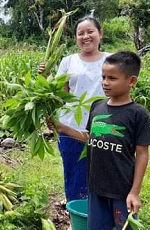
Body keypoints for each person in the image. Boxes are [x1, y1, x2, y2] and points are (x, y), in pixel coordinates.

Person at [47, 51, 150, 229]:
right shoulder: (97, 107)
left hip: (121, 190)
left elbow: (142, 153)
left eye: (112, 78)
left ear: (131, 81)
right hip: (96, 187)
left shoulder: (137, 114)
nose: (105, 82)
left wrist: (134, 192)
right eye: (103, 77)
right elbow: (90, 138)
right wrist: (62, 127)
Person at [38, 16, 110, 202]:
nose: (85, 36)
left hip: (104, 127)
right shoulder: (68, 61)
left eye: (90, 32)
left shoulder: (112, 60)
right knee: (74, 176)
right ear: (75, 37)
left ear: (100, 33)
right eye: (80, 33)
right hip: (70, 126)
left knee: (104, 175)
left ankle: (99, 217)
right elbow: (61, 94)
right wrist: (46, 77)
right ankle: (77, 217)